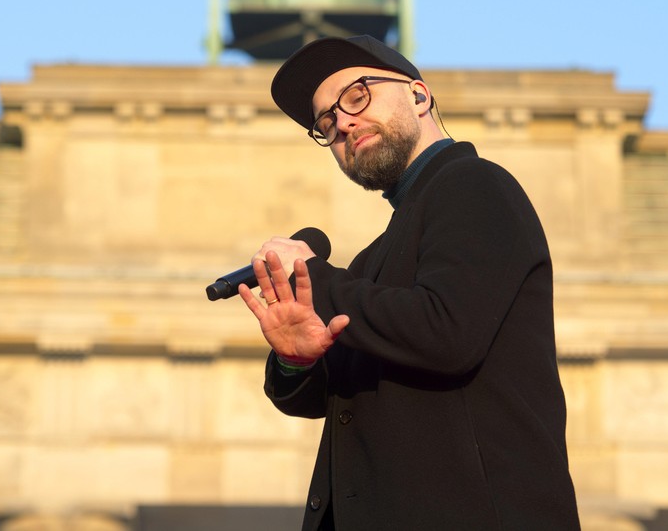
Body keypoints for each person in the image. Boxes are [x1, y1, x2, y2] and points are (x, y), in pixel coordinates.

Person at [238, 35, 580, 530]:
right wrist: (296, 360)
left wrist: (314, 276)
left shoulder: (476, 185)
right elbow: (329, 398)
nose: (343, 124)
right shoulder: (375, 256)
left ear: (419, 96)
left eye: (357, 95)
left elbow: (447, 332)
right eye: (326, 124)